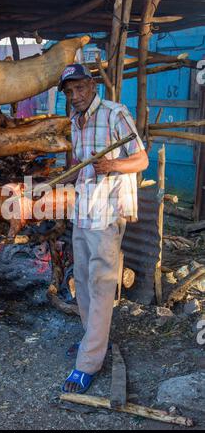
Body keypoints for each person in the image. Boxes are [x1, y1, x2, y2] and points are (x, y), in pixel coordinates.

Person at [58, 64, 149, 394]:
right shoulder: (74, 121)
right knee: (81, 280)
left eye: (79, 88)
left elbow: (141, 160)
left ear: (92, 85)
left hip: (107, 214)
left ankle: (88, 362)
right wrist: (48, 185)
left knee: (100, 284)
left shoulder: (114, 113)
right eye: (69, 92)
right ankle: (92, 341)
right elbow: (80, 169)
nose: (75, 96)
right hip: (83, 211)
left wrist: (112, 165)